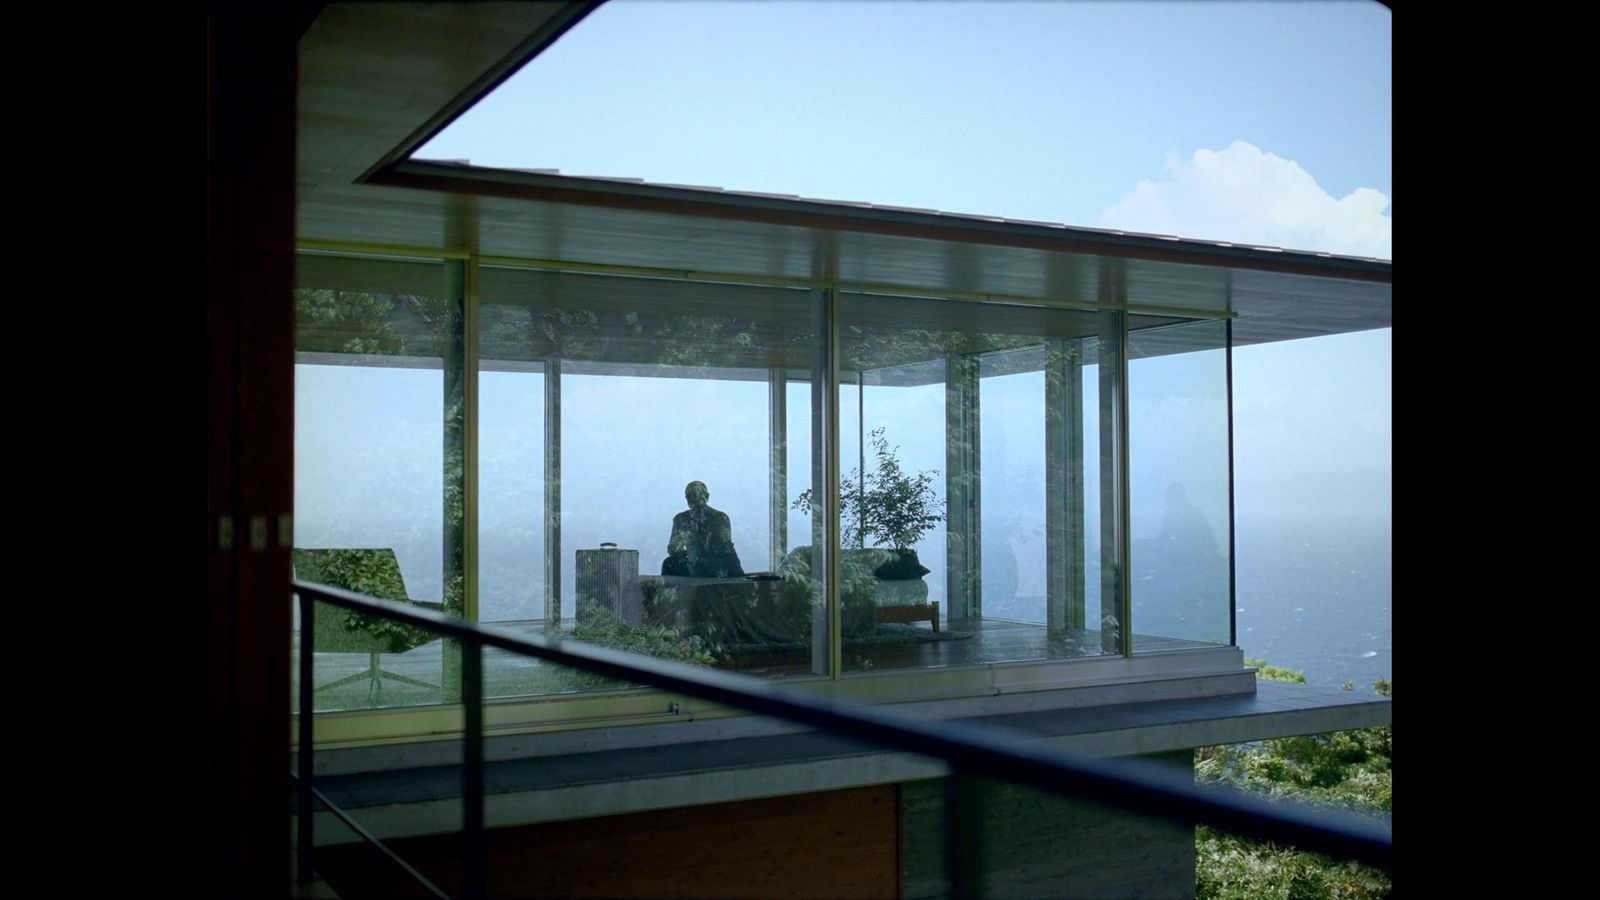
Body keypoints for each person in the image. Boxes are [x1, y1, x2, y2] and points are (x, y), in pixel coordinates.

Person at [661, 480, 745, 578]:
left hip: (694, 570)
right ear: (707, 497)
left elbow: (674, 549)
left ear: (687, 499)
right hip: (718, 570)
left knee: (668, 563)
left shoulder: (681, 519)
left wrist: (689, 556)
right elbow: (727, 548)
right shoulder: (721, 517)